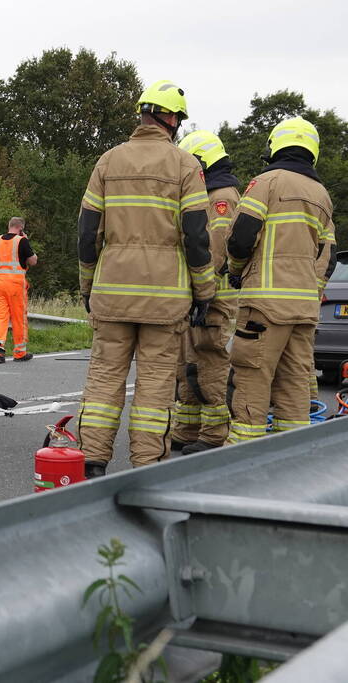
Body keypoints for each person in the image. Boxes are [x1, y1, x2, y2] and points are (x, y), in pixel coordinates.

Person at [76, 80, 215, 477]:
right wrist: (204, 289)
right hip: (164, 299)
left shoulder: (108, 161)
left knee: (103, 381)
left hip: (112, 296)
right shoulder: (185, 165)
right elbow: (197, 237)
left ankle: (92, 462)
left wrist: (88, 285)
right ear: (170, 118)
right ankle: (147, 466)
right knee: (155, 387)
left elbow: (87, 234)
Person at [225, 117, 337, 444]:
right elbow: (326, 256)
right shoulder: (321, 195)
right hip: (303, 312)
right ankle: (287, 470)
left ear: (275, 146)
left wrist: (235, 271)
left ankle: (240, 466)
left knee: (251, 383)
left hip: (264, 308)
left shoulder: (266, 183)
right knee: (294, 388)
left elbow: (241, 237)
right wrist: (310, 294)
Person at [172, 131, 241, 454]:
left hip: (213, 295)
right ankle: (187, 428)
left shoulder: (221, 196)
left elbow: (215, 247)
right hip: (198, 294)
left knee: (210, 362)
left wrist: (203, 289)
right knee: (188, 362)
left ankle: (214, 433)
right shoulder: (207, 193)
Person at [0, 217, 37, 363]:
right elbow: (33, 261)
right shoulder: (21, 241)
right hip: (15, 285)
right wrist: (27, 242)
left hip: (0, 283)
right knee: (18, 318)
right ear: (21, 229)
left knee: (0, 317)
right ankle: (20, 353)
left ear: (9, 226)